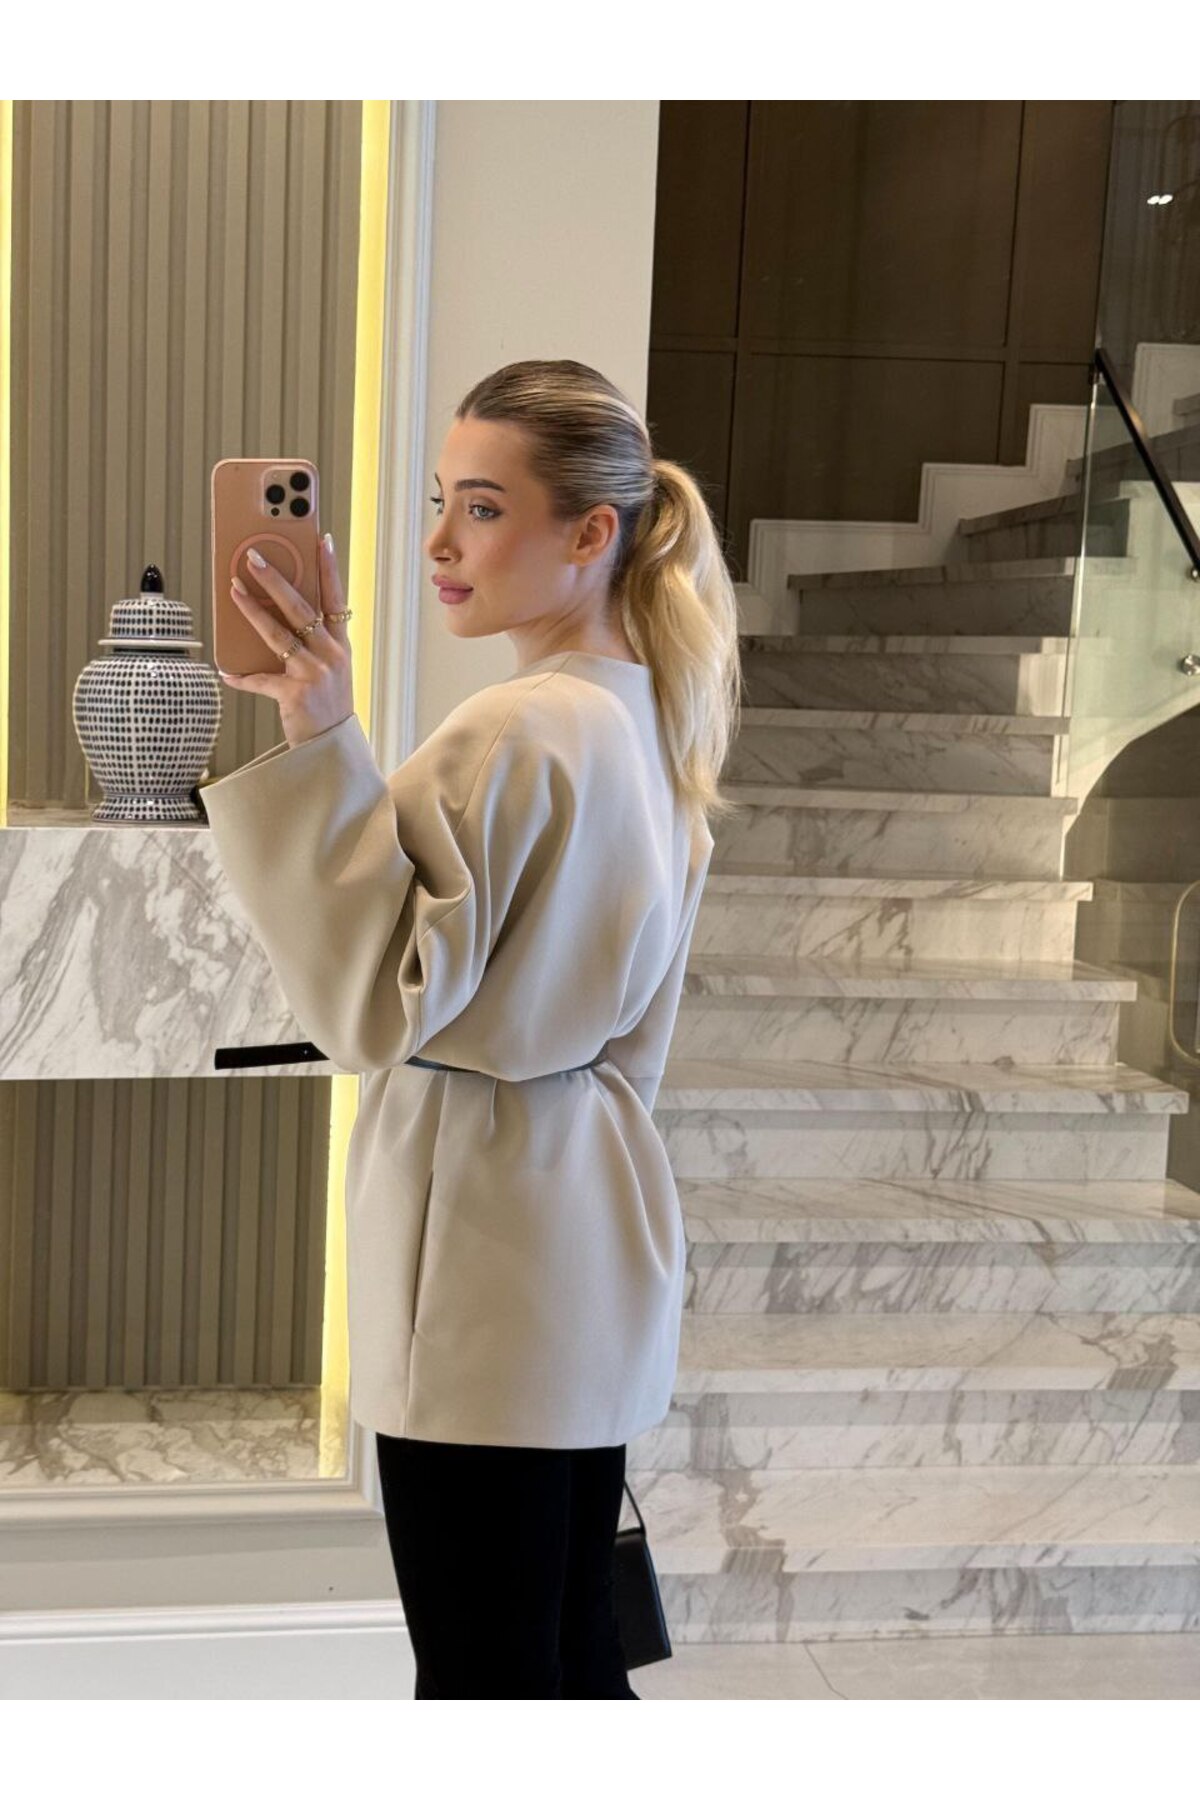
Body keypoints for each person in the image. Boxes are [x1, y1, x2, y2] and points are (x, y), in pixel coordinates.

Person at [202, 357, 742, 1698]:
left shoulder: (513, 731)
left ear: (591, 531)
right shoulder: (652, 721)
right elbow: (633, 1031)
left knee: (484, 1678)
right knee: (568, 1657)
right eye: (442, 500)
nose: (440, 542)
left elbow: (372, 999)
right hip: (591, 1231)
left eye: (484, 509)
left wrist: (319, 738)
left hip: (481, 1257)